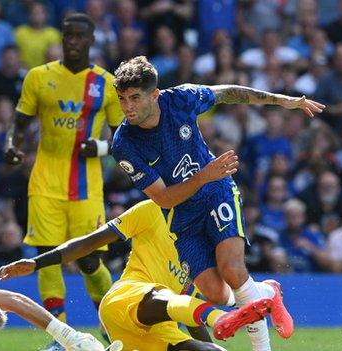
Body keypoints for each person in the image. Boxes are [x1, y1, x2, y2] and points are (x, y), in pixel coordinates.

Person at [110, 56, 325, 351]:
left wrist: (280, 100)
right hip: (181, 214)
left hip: (216, 190)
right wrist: (201, 176)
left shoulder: (181, 100)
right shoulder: (124, 144)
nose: (128, 107)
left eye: (135, 98)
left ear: (155, 94)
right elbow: (162, 198)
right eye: (122, 99)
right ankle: (266, 290)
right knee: (217, 295)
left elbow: (227, 92)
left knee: (234, 271)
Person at [0, 200, 273, 351]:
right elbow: (89, 242)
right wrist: (36, 262)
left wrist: (209, 347)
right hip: (126, 300)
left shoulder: (208, 252)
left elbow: (190, 313)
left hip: (158, 331)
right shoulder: (152, 210)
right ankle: (222, 318)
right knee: (162, 296)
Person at [3, 13, 123, 346]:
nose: (72, 42)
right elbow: (20, 123)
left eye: (79, 37)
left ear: (91, 41)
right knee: (46, 256)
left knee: (88, 260)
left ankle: (111, 326)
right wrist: (11, 146)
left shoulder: (106, 84)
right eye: (67, 36)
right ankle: (61, 335)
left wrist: (98, 147)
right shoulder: (38, 78)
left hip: (87, 187)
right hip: (44, 182)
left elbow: (121, 139)